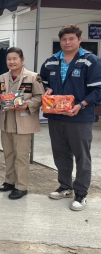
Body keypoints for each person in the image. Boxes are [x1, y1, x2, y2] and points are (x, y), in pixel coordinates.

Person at [40, 24, 101, 211]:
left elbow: (98, 89)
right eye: (64, 39)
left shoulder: (91, 61)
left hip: (80, 117)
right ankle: (65, 187)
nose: (67, 42)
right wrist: (47, 91)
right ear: (60, 41)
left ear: (79, 40)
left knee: (82, 156)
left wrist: (81, 105)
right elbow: (43, 85)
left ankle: (81, 193)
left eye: (71, 39)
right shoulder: (50, 62)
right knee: (60, 153)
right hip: (56, 117)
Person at [0, 47, 44, 200]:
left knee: (21, 156)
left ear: (22, 60)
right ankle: (10, 181)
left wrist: (28, 104)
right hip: (6, 121)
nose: (11, 62)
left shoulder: (33, 77)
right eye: (9, 59)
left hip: (24, 122)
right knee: (8, 154)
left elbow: (40, 97)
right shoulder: (2, 77)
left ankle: (21, 186)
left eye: (15, 58)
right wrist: (0, 100)